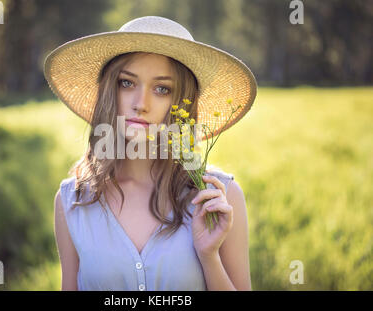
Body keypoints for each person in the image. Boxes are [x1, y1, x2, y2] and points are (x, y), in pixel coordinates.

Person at [46, 16, 257, 291]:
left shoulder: (218, 198)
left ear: (182, 102)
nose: (141, 104)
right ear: (111, 89)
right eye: (127, 83)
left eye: (162, 89)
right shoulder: (73, 202)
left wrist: (209, 257)